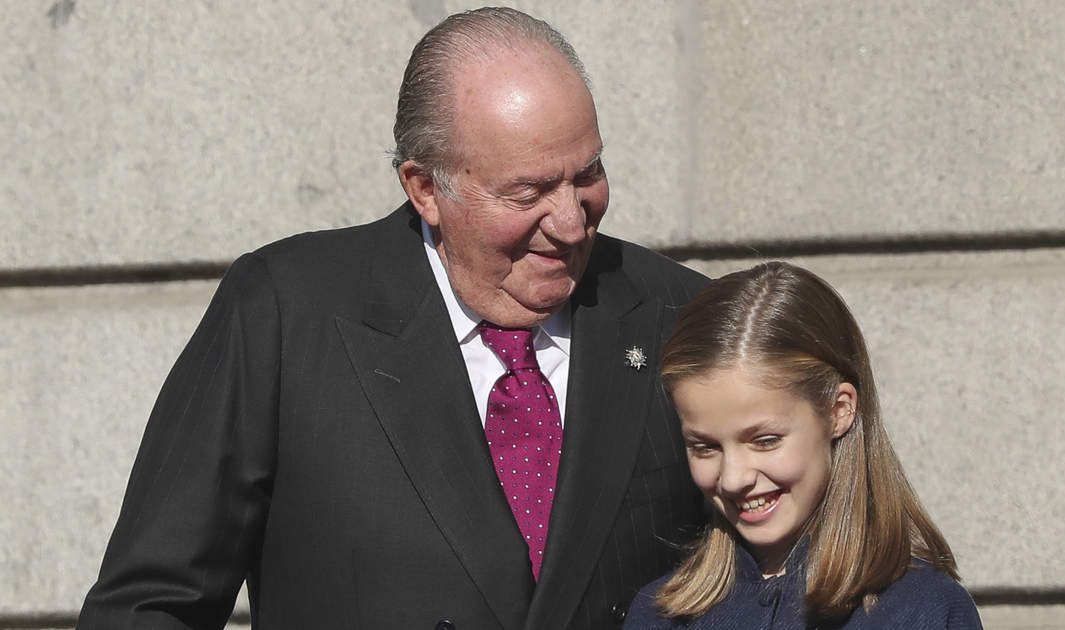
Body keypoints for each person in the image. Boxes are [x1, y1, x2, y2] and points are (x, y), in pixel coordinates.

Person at [78, 8, 707, 630]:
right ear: (425, 189)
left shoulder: (685, 317)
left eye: (588, 174)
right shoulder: (287, 314)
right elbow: (147, 606)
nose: (572, 222)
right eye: (528, 192)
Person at [623, 262, 982, 629]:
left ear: (839, 411)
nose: (733, 479)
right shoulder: (659, 614)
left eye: (765, 441)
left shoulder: (922, 611)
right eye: (705, 447)